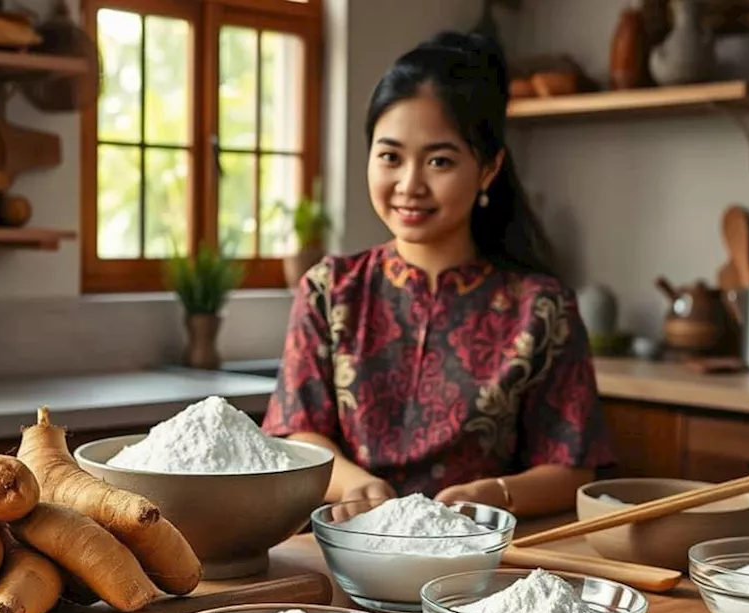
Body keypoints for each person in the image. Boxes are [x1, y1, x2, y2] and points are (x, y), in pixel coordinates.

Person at [262, 31, 614, 517]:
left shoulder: (542, 308)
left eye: (439, 161)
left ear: (488, 169)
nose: (410, 185)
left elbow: (572, 467)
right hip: (346, 547)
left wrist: (493, 495)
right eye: (390, 156)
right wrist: (356, 485)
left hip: (484, 559)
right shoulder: (329, 290)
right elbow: (295, 432)